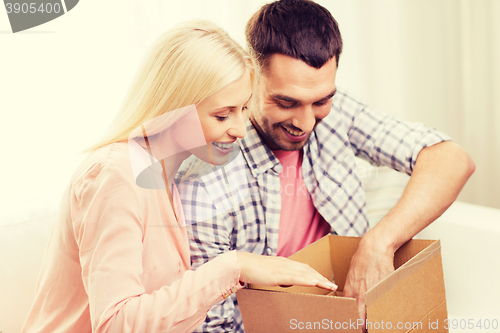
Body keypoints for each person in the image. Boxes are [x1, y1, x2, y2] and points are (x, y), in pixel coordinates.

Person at [20, 20, 337, 333]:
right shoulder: (116, 174)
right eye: (222, 114)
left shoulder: (165, 177)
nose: (240, 130)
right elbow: (114, 324)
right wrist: (233, 266)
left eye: (243, 109)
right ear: (174, 105)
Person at [180, 1, 475, 332]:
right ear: (250, 78)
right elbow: (212, 326)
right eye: (286, 102)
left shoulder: (337, 112)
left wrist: (379, 243)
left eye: (321, 101)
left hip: (353, 314)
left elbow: (452, 159)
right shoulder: (205, 182)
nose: (305, 123)